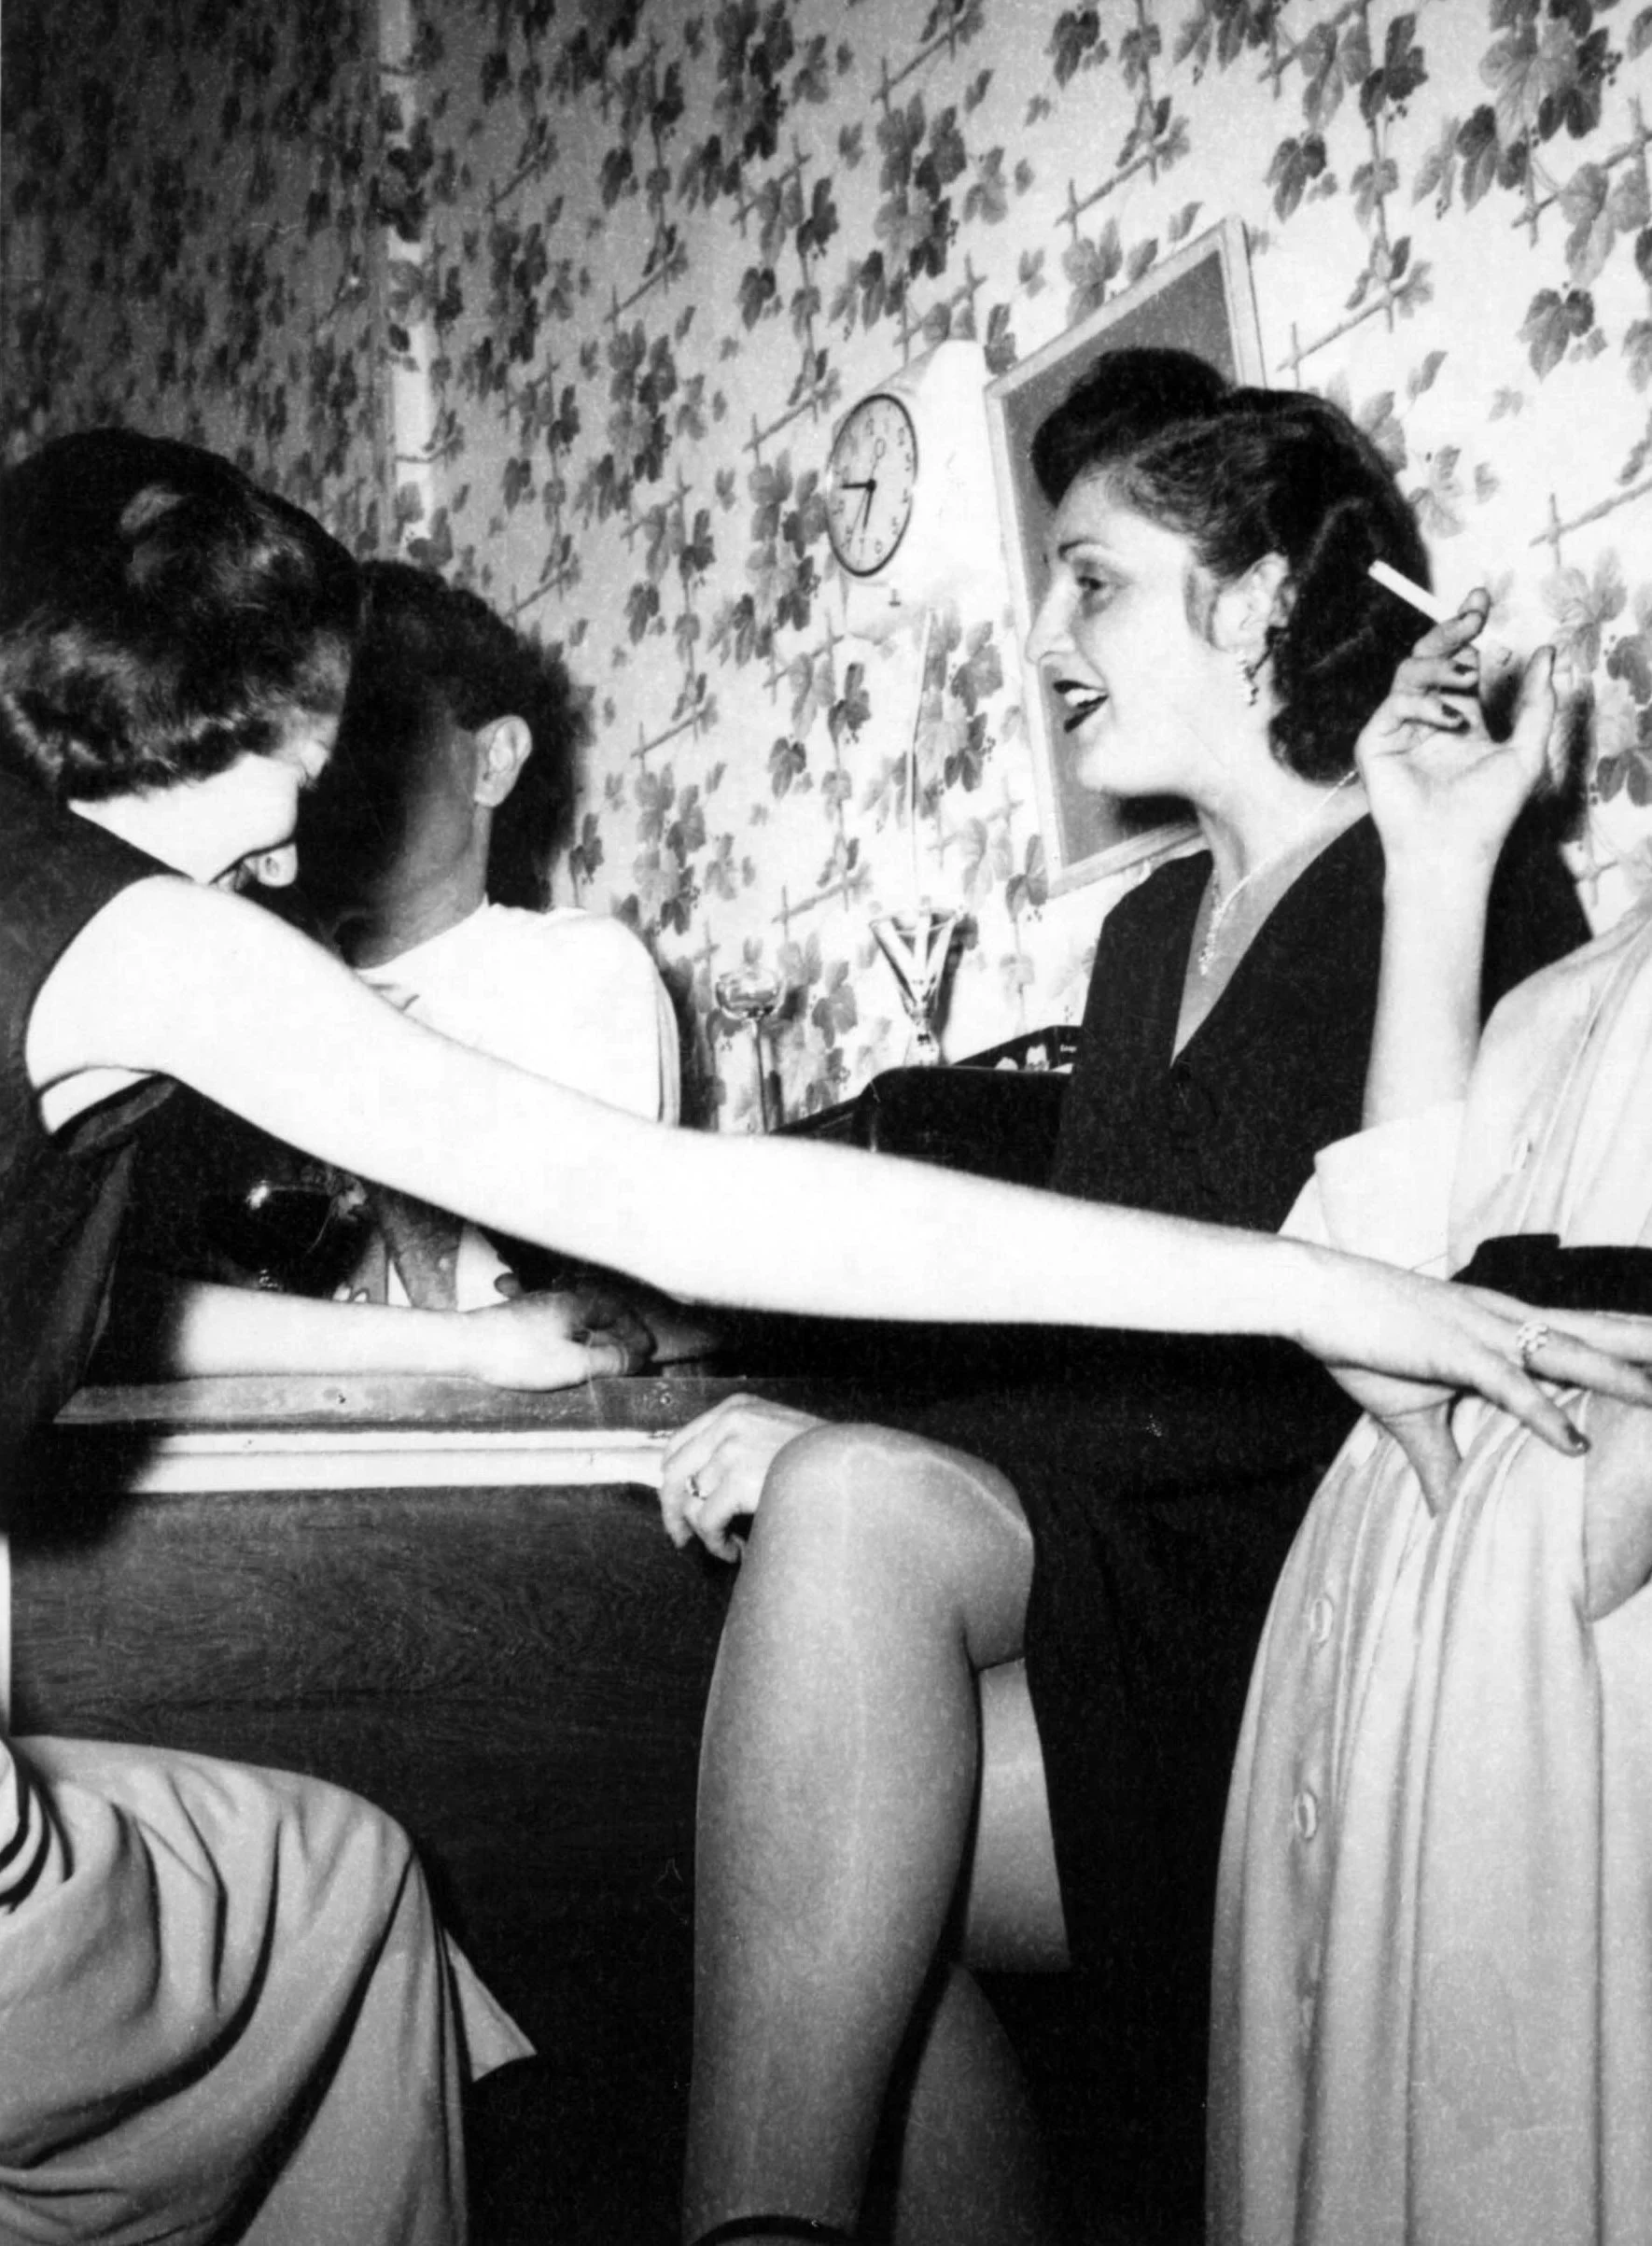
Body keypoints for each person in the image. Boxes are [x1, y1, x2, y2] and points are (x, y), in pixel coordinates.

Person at [0, 425, 1638, 2246]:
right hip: (1129, 1550)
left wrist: (469, 1355)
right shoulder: (139, 938)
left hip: (1229, 1570)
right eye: (303, 762)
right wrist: (1318, 1284)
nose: (305, 836)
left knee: (354, 1888)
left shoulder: (71, 917)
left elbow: (97, 1304)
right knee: (375, 1919)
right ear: (181, 706)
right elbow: (677, 1204)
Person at [652, 361, 1597, 2246]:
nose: (1043, 636)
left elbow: (1409, 1325)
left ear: (1256, 602)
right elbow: (1100, 1328)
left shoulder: (1458, 874)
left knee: (845, 1576)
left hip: (1314, 1572)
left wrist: (859, 1435)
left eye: (1093, 581)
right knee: (822, 1868)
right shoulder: (1149, 927)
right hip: (1133, 1556)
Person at [1211, 600, 1652, 2246]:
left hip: (1566, 1683)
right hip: (1393, 1650)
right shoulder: (1564, 998)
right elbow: (1393, 1300)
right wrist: (1437, 861)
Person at [294, 557, 680, 1311]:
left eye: (369, 724)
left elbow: (567, 1295)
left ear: (494, 761)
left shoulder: (575, 972)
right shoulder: (249, 1000)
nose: (325, 764)